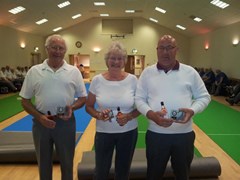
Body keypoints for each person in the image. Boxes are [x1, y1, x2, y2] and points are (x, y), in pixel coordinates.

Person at [135, 35, 211, 179]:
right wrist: (151, 114)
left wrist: (193, 110)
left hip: (184, 135)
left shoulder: (190, 72)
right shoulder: (147, 73)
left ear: (176, 50)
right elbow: (139, 99)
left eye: (169, 48)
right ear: (157, 50)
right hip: (156, 135)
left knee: (183, 175)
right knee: (153, 175)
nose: (165, 52)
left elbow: (204, 96)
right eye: (162, 48)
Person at [19, 34, 87, 180]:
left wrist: (72, 108)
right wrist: (39, 117)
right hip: (41, 122)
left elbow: (83, 98)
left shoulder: (74, 72)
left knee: (67, 163)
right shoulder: (34, 71)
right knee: (43, 163)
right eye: (54, 48)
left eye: (61, 48)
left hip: (66, 123)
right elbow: (24, 100)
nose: (57, 51)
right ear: (47, 49)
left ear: (65, 51)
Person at [85, 41, 140, 180]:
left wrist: (129, 116)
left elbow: (141, 106)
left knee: (123, 171)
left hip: (128, 132)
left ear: (124, 61)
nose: (116, 61)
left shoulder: (133, 80)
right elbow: (89, 106)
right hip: (104, 133)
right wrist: (98, 115)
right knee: (101, 171)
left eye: (120, 58)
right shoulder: (97, 80)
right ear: (107, 60)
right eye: (112, 58)